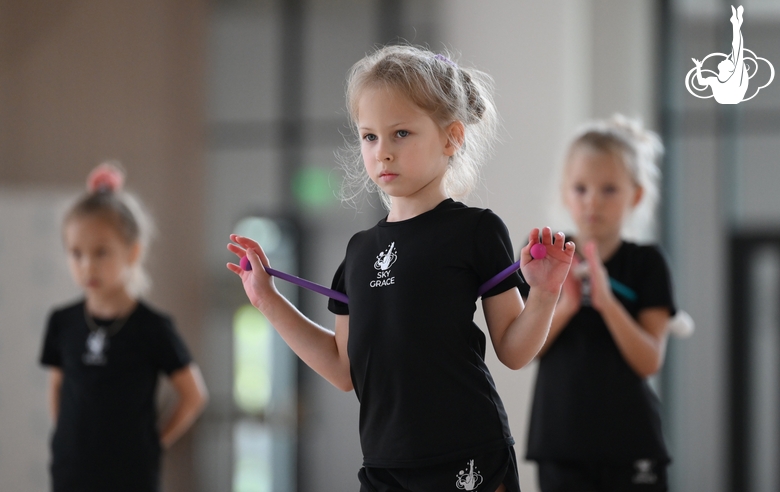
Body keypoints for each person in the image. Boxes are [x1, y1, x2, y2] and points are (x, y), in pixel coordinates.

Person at [228, 44, 574, 492]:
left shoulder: (476, 230)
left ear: (452, 137)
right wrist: (267, 301)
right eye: (369, 136)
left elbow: (512, 349)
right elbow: (342, 369)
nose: (382, 152)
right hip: (384, 469)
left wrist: (544, 294)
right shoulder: (357, 252)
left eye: (401, 134)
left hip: (468, 458)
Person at [525, 115, 675, 492]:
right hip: (560, 444)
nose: (592, 200)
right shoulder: (546, 257)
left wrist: (607, 303)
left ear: (635, 195)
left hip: (632, 444)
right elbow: (523, 351)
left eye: (609, 189)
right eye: (580, 188)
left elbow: (649, 360)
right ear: (565, 191)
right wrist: (566, 306)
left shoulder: (648, 262)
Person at [40, 162, 209, 492]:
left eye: (101, 252)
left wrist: (154, 443)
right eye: (76, 253)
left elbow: (194, 395)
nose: (87, 264)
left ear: (132, 253)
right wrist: (68, 439)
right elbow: (58, 388)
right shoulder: (63, 322)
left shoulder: (153, 327)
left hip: (131, 477)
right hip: (71, 472)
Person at [692, 5, 748, 104]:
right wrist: (698, 67)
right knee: (736, 51)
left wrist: (736, 26)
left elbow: (737, 49)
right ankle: (736, 23)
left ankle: (736, 23)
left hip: (733, 96)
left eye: (727, 61)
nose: (725, 59)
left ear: (729, 69)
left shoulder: (734, 78)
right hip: (727, 98)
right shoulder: (714, 80)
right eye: (728, 60)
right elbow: (701, 82)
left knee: (737, 50)